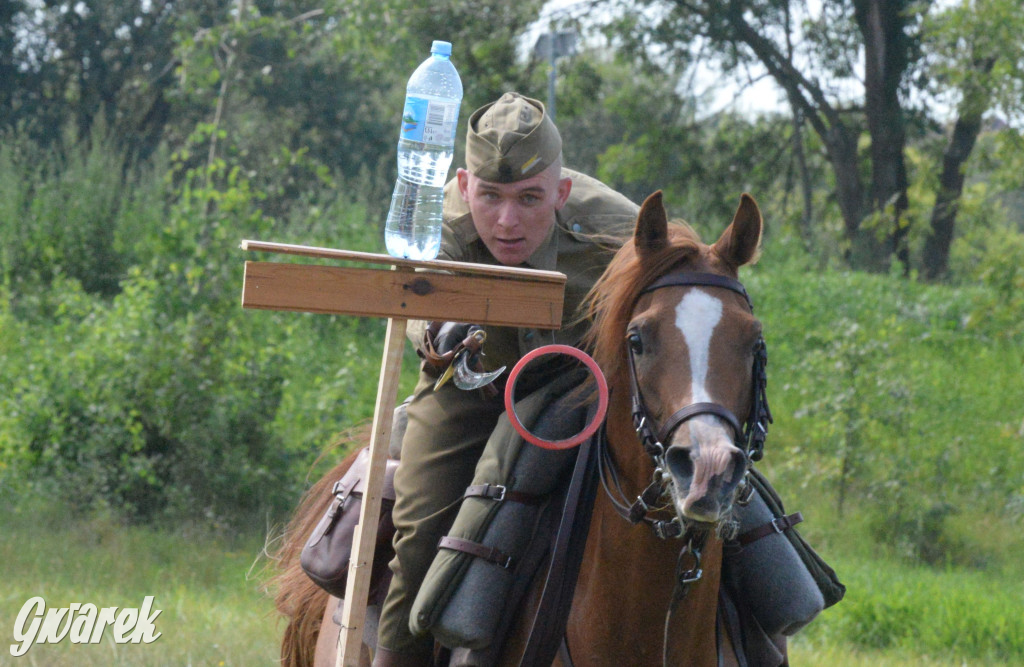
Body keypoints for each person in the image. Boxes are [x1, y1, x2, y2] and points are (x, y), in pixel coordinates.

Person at [374, 92, 639, 666]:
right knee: (417, 532)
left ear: (561, 192)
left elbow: (681, 291)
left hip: (583, 392)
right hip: (468, 390)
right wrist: (440, 332)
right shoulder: (438, 219)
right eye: (489, 197)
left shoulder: (617, 229)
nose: (507, 221)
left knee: (716, 505)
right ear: (466, 186)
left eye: (530, 199)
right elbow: (418, 289)